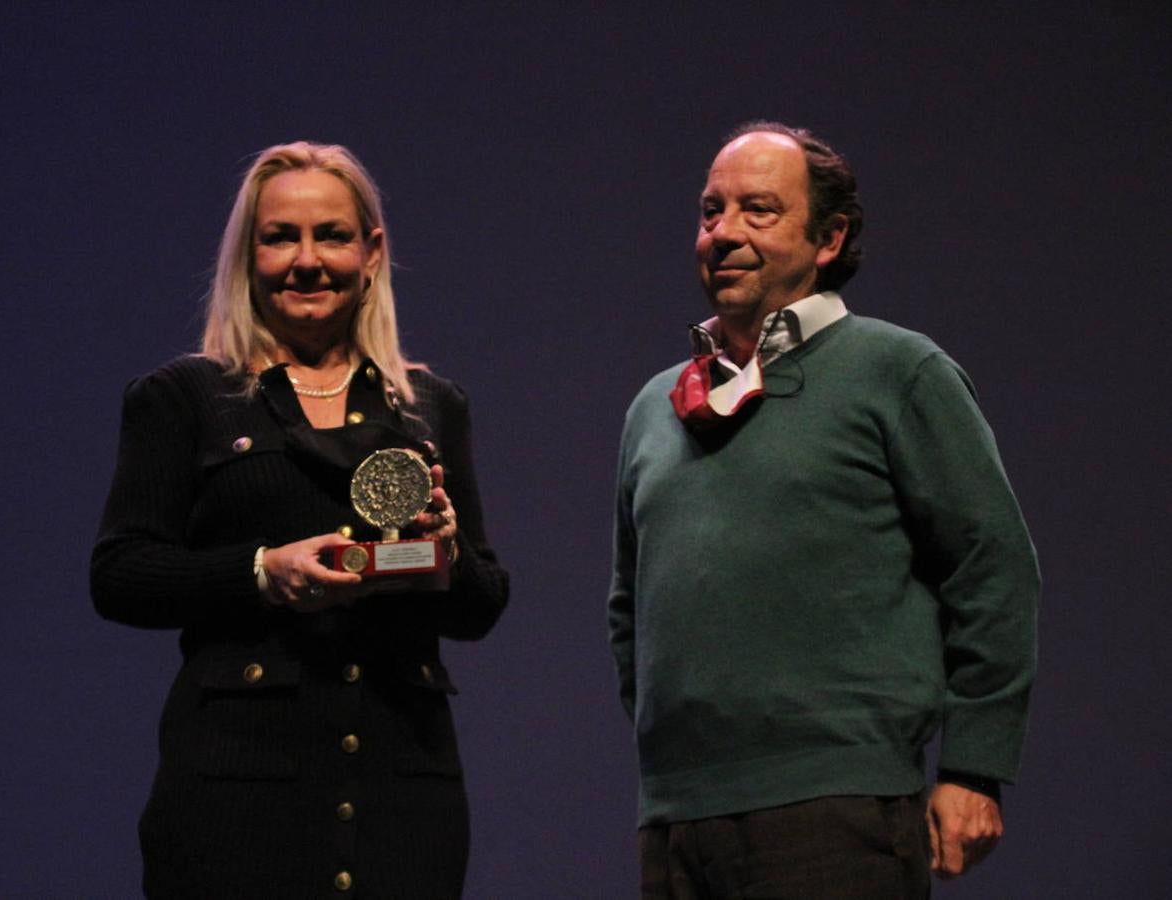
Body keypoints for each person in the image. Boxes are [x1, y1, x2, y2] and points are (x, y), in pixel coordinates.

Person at [608, 121, 1039, 898]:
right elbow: (627, 606)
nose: (724, 233)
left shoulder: (896, 371)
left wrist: (974, 766)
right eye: (711, 211)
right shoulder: (653, 407)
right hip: (678, 821)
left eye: (758, 211)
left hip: (836, 813)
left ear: (829, 238)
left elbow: (994, 567)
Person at [91, 141, 509, 898]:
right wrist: (263, 572)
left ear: (372, 252)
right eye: (281, 237)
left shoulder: (429, 407)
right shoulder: (186, 398)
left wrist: (445, 556)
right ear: (248, 257)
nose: (307, 260)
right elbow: (119, 574)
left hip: (403, 790)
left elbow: (482, 606)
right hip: (237, 795)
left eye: (333, 236)